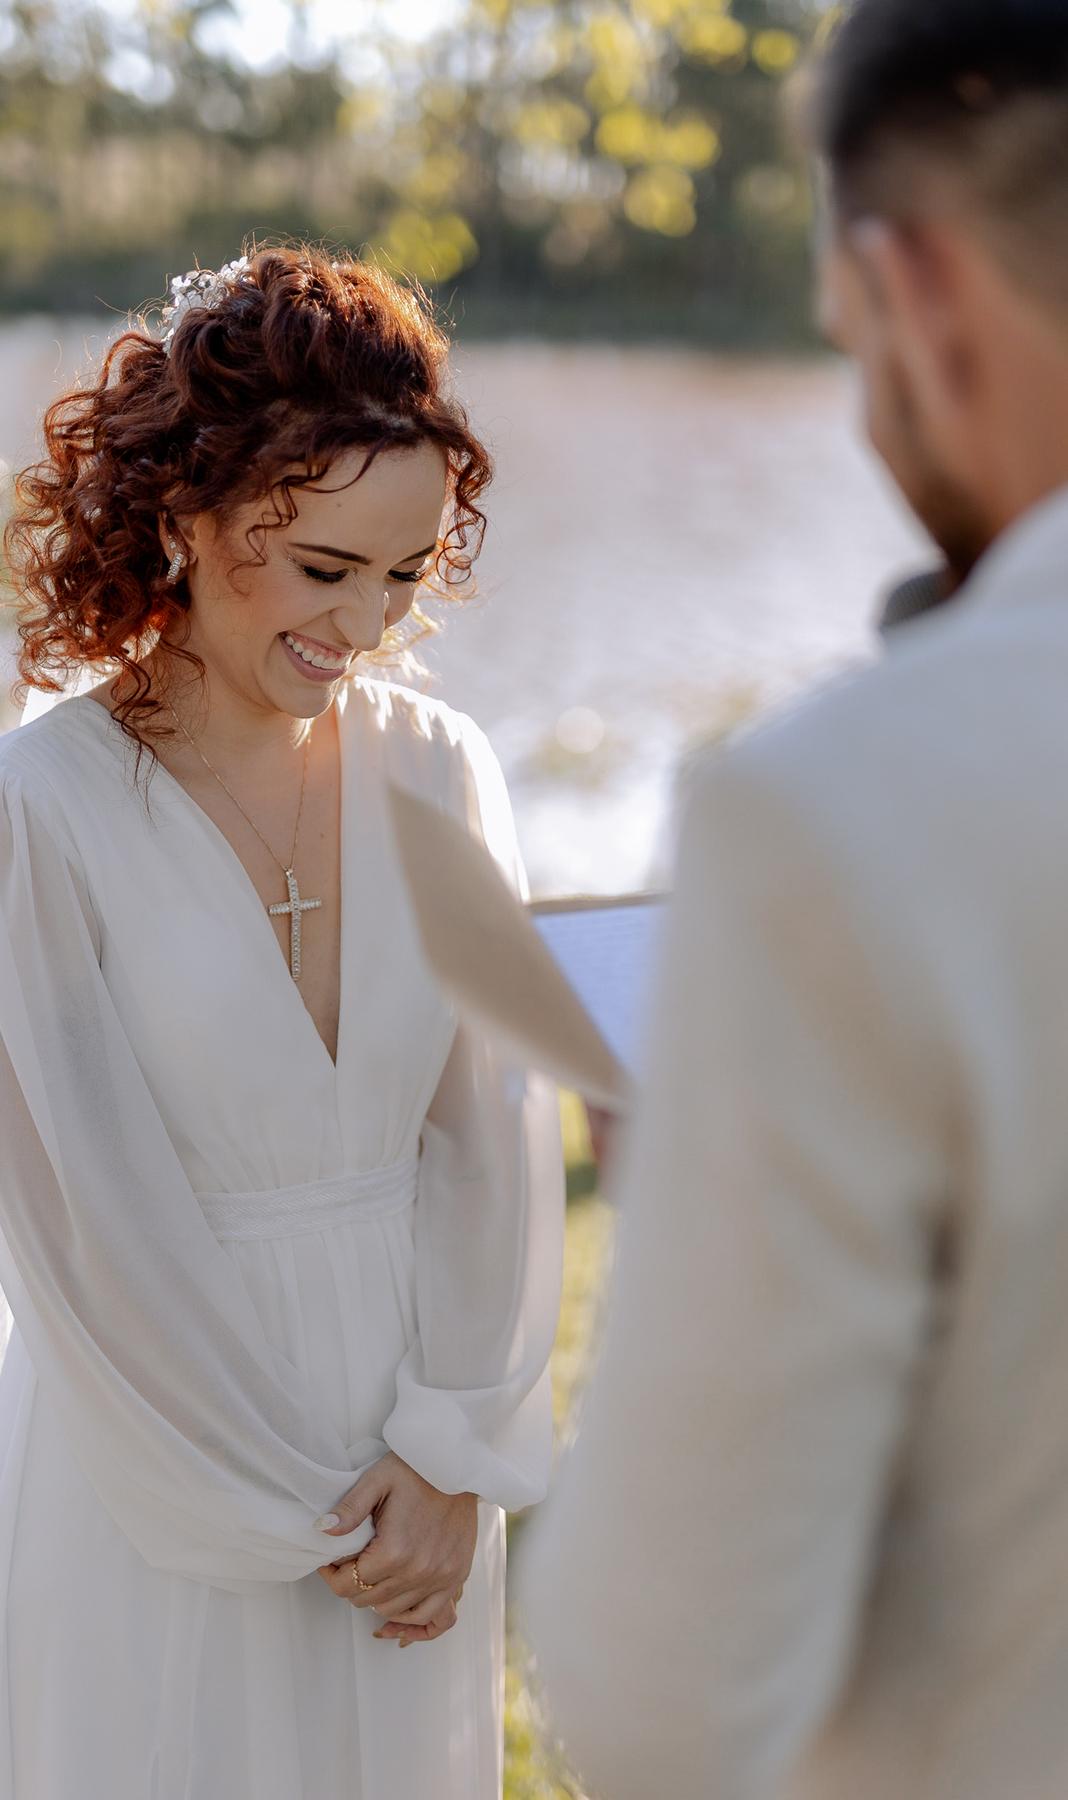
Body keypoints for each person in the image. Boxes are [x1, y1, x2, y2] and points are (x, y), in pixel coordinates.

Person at [520, 4, 1068, 1797]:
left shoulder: (845, 813)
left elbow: (664, 1694)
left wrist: (672, 1168)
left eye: (844, 345)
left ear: (914, 296)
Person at [0, 246, 563, 1800]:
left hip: (414, 1442)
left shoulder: (441, 773)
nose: (369, 623)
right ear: (182, 515)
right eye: (326, 569)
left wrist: (452, 1464)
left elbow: (496, 1137)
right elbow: (81, 1216)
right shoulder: (40, 811)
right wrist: (286, 1516)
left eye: (405, 573)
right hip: (154, 1470)